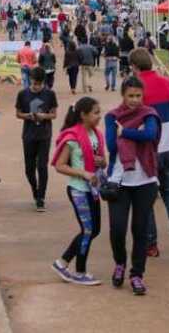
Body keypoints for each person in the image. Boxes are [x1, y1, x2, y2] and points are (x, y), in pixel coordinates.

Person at [129, 48, 169, 256]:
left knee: (147, 197)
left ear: (134, 66)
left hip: (148, 148)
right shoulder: (168, 83)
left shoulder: (135, 89)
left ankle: (151, 244)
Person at [105, 76, 161, 296]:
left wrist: (125, 132)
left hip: (145, 181)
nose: (135, 100)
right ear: (123, 95)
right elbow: (112, 145)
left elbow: (150, 134)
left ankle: (137, 274)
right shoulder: (112, 116)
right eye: (131, 96)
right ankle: (119, 263)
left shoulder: (150, 114)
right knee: (117, 229)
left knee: (140, 230)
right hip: (119, 180)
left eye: (138, 95)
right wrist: (136, 132)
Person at [50, 97, 106, 286]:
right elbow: (60, 165)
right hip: (78, 190)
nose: (99, 116)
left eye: (99, 112)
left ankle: (62, 263)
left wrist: (102, 162)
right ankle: (78, 271)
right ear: (83, 115)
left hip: (93, 189)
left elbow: (102, 160)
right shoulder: (72, 138)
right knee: (88, 230)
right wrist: (83, 173)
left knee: (94, 230)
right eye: (96, 113)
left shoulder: (97, 135)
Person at [15, 67, 58, 211]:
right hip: (28, 135)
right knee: (29, 169)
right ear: (30, 80)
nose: (37, 87)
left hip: (44, 134)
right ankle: (35, 190)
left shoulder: (50, 94)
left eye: (39, 84)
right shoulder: (22, 94)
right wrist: (28, 116)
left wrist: (43, 116)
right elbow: (18, 113)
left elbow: (54, 114)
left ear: (43, 82)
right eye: (34, 84)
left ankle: (41, 197)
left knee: (42, 166)